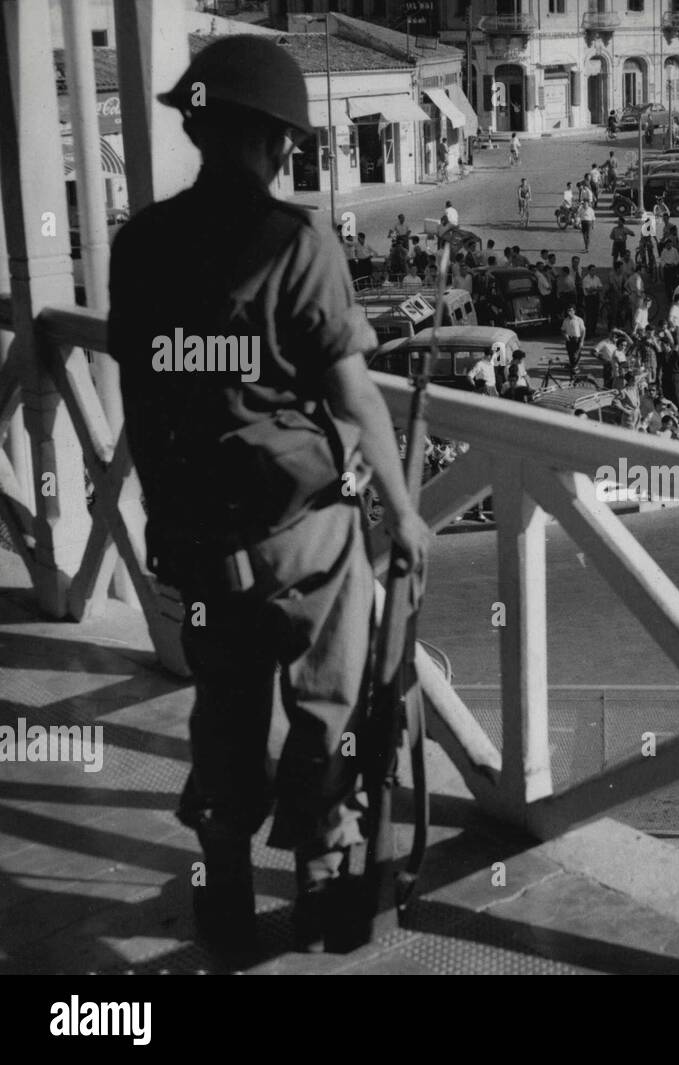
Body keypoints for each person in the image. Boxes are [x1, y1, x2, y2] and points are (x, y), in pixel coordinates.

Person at [107, 35, 425, 959]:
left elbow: (142, 392)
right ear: (278, 142)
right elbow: (354, 393)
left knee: (225, 713)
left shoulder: (140, 245)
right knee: (331, 709)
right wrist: (403, 514)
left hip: (200, 538)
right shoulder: (296, 240)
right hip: (303, 536)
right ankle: (324, 888)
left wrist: (165, 518)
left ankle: (226, 902)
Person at [561, 304, 586, 371]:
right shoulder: (565, 320)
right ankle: (573, 368)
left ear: (574, 311)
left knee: (576, 355)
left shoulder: (579, 320)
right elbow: (563, 330)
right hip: (569, 339)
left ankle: (575, 367)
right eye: (568, 310)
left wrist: (582, 341)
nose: (569, 312)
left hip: (577, 339)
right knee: (570, 355)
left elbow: (583, 331)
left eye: (571, 310)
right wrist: (565, 335)